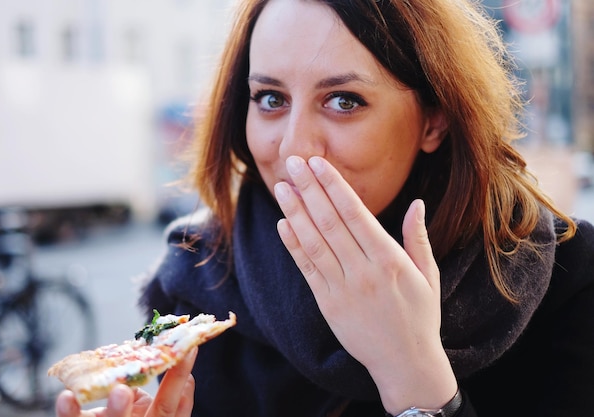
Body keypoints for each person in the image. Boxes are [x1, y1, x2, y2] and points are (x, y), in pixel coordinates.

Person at [56, 0, 594, 416]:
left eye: (343, 101)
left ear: (434, 120)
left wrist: (415, 379)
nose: (292, 148)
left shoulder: (568, 283)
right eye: (270, 98)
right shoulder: (201, 278)